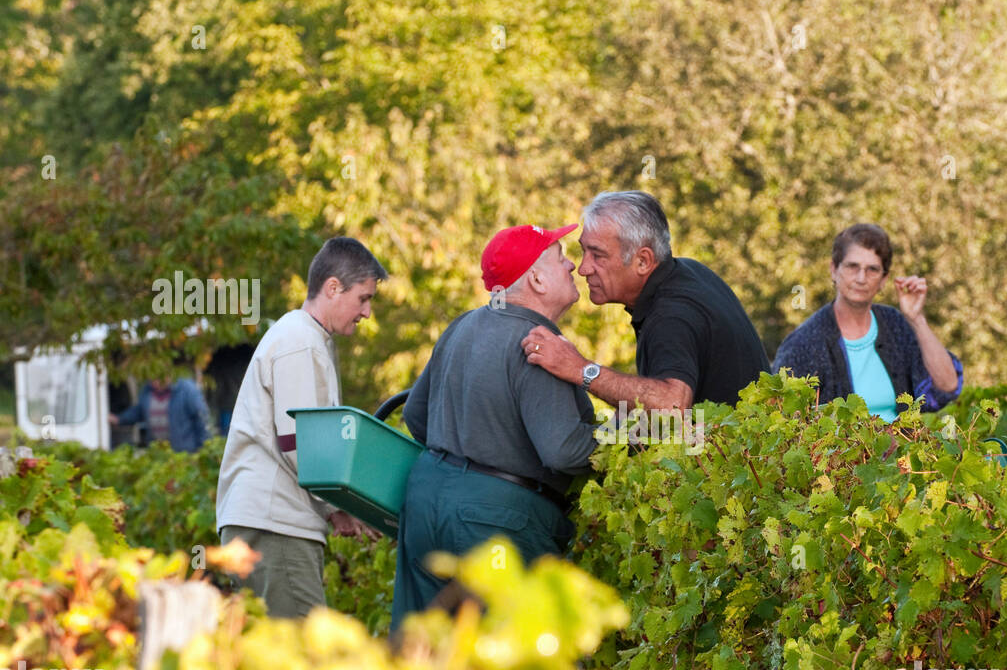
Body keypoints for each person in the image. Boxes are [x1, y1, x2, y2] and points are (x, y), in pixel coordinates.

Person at [390, 224, 598, 639]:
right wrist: (631, 439)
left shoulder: (463, 325)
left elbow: (416, 415)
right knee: (512, 666)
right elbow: (563, 451)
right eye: (560, 257)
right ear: (536, 278)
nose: (572, 263)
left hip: (426, 501)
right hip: (495, 520)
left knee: (425, 658)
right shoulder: (538, 341)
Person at [215, 237, 386, 618]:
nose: (367, 312)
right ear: (332, 287)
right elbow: (299, 443)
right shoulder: (301, 342)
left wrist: (330, 512)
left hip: (266, 521)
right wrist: (341, 503)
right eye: (363, 298)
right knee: (305, 655)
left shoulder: (303, 337)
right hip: (275, 526)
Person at [520, 191, 770, 411]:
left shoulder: (671, 315)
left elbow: (671, 405)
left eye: (598, 255)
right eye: (584, 251)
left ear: (643, 261)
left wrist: (579, 369)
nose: (583, 268)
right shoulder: (688, 271)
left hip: (737, 461)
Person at [771, 224, 962, 419]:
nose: (861, 278)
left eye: (872, 269)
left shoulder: (895, 325)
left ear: (883, 279)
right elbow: (781, 416)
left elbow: (947, 386)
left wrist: (916, 319)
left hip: (903, 446)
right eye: (852, 267)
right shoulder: (804, 343)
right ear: (834, 270)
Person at [110, 372, 211, 452]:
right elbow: (138, 411)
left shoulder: (187, 389)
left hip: (184, 452)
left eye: (159, 378)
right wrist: (119, 419)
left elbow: (202, 419)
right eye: (152, 378)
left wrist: (203, 448)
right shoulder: (147, 391)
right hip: (158, 452)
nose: (155, 382)